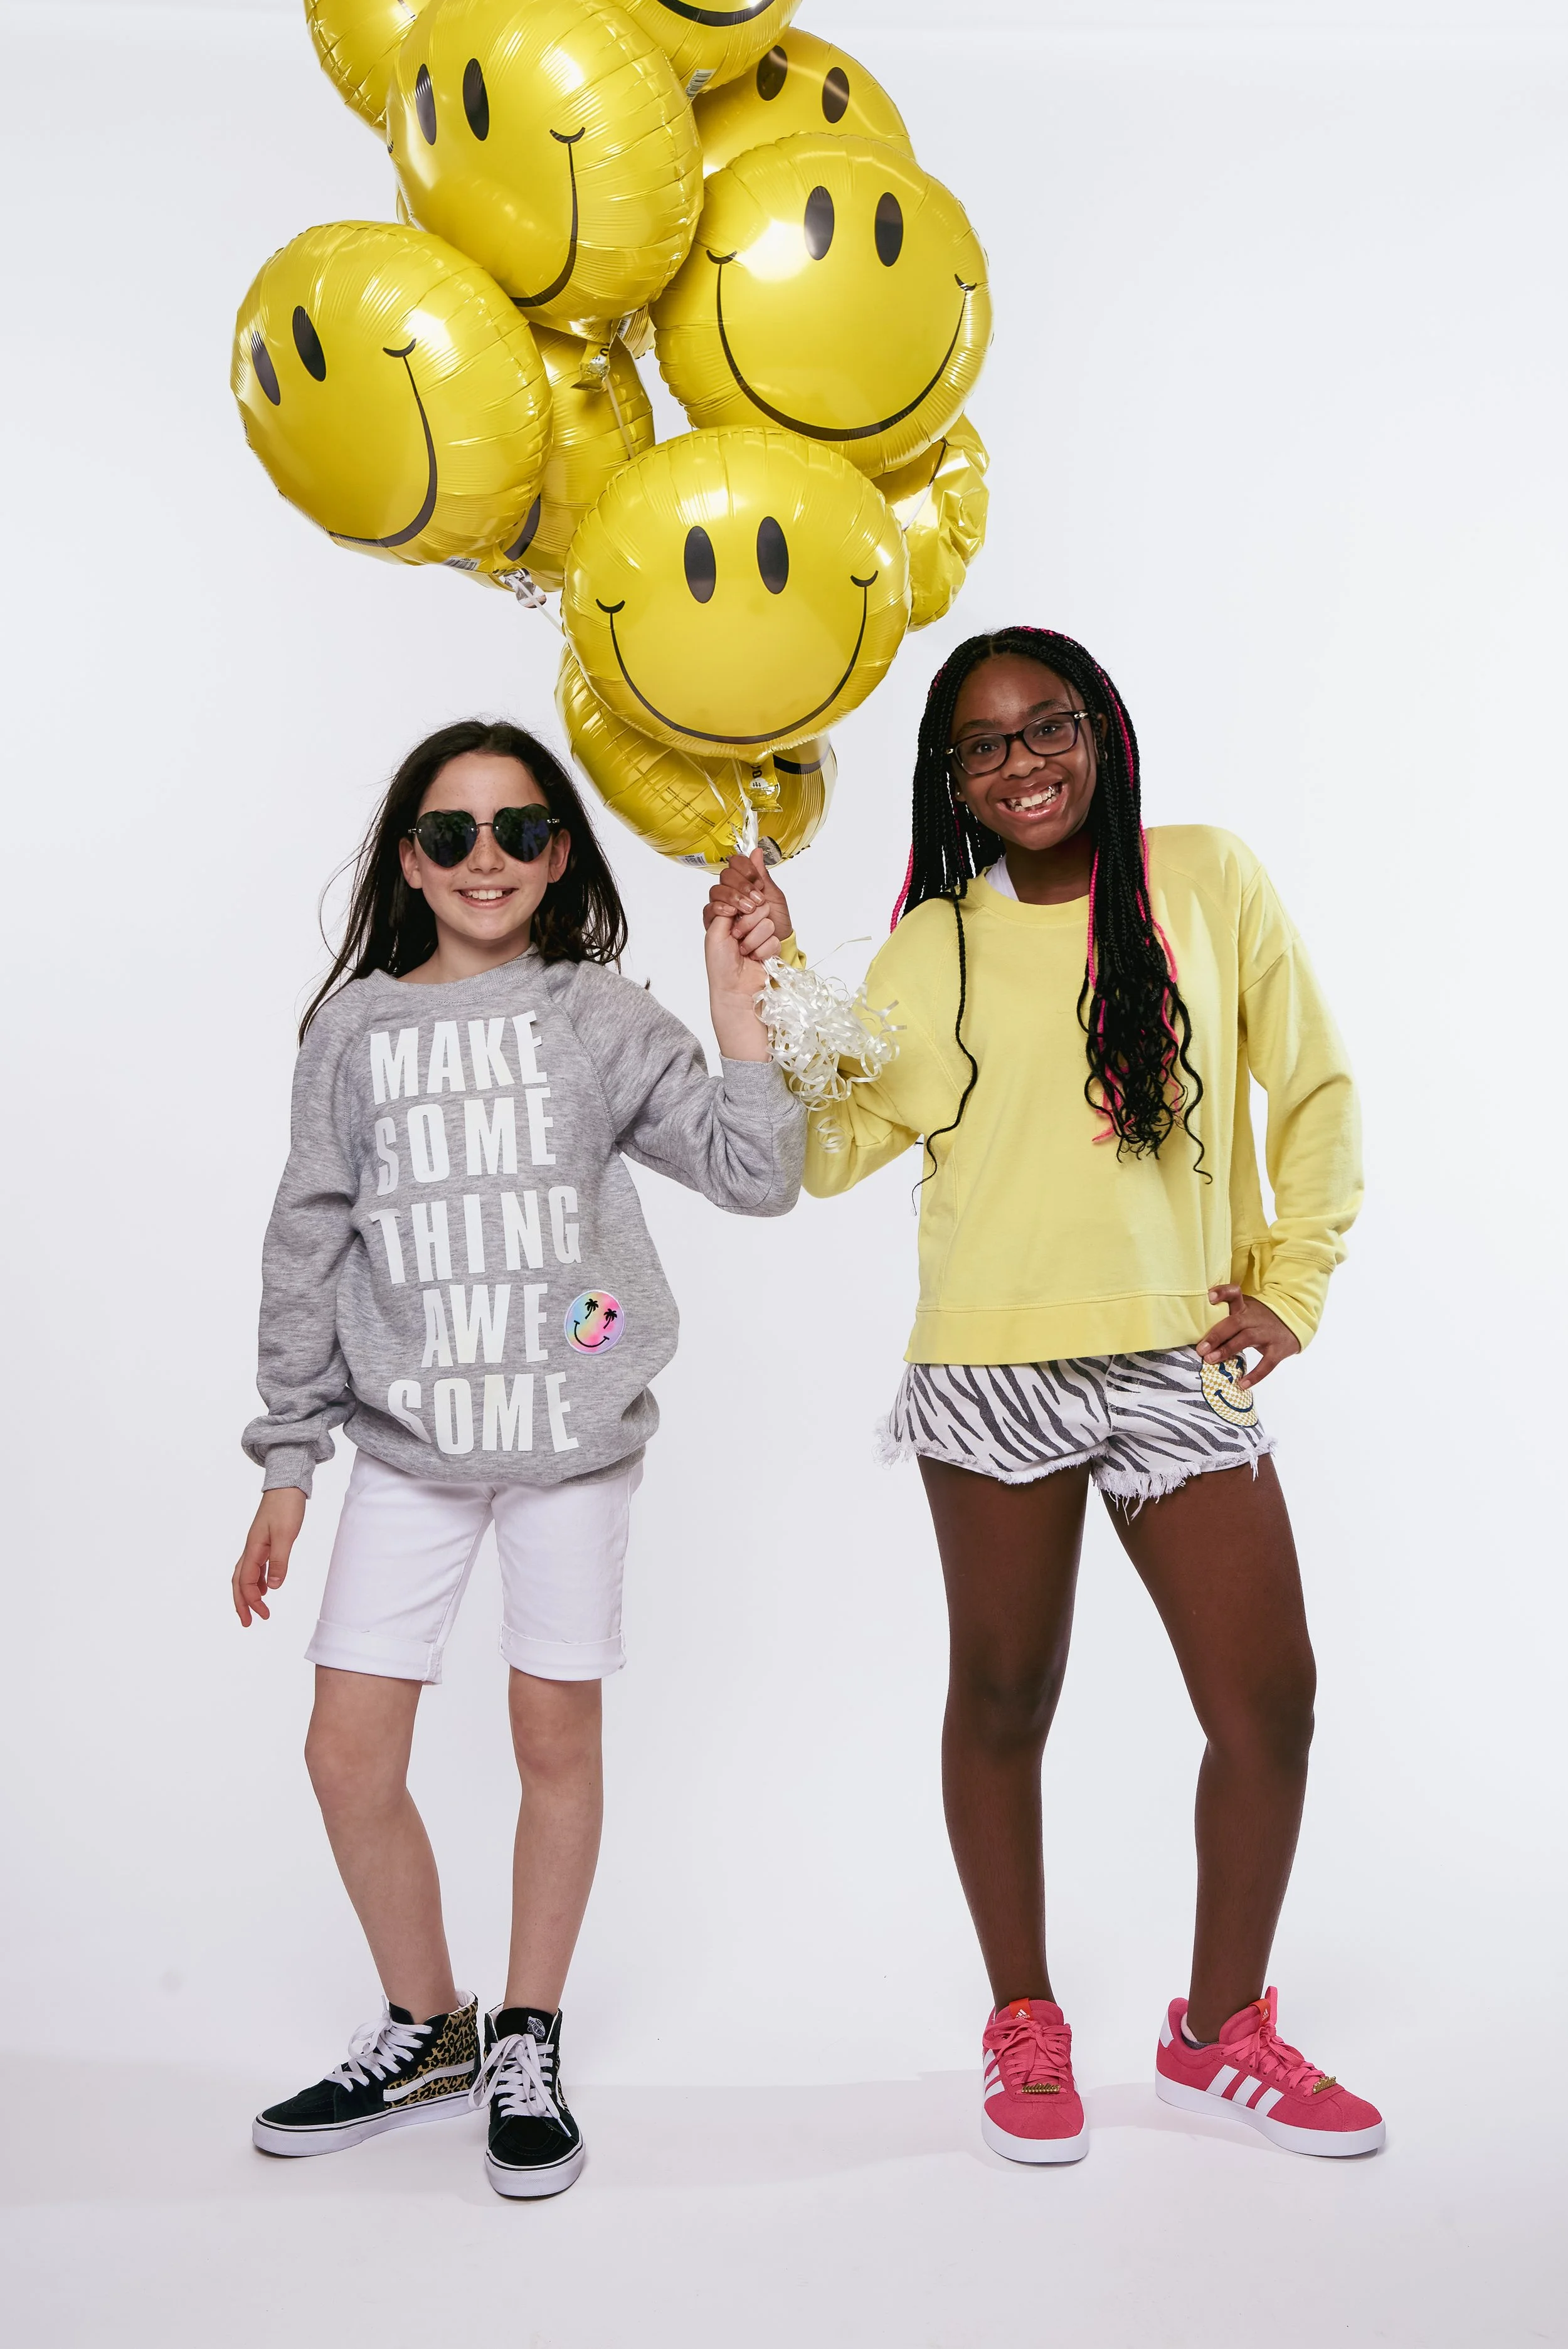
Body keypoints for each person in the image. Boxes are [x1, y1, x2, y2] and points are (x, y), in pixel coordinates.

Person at [707, 625, 1384, 2165]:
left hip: (1171, 1354)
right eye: (984, 745)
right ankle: (1022, 2017)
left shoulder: (1205, 878)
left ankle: (1217, 2037)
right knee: (1005, 1697)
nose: (1020, 763)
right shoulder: (935, 944)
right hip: (990, 1363)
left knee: (1267, 1706)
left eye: (1046, 726)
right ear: (950, 781)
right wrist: (765, 984)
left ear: (1100, 733)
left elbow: (1316, 1086)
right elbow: (831, 1152)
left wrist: (1290, 1282)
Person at [234, 718, 798, 2197]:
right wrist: (288, 1459)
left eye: (521, 830)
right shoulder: (353, 1032)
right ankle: (430, 2027)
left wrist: (739, 1009)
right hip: (407, 1449)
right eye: (451, 833)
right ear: (409, 865)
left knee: (553, 1741)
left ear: (560, 857)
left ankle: (525, 2036)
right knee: (346, 1751)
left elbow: (756, 1177)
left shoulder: (598, 1016)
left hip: (570, 1445)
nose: (485, 857)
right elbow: (308, 1239)